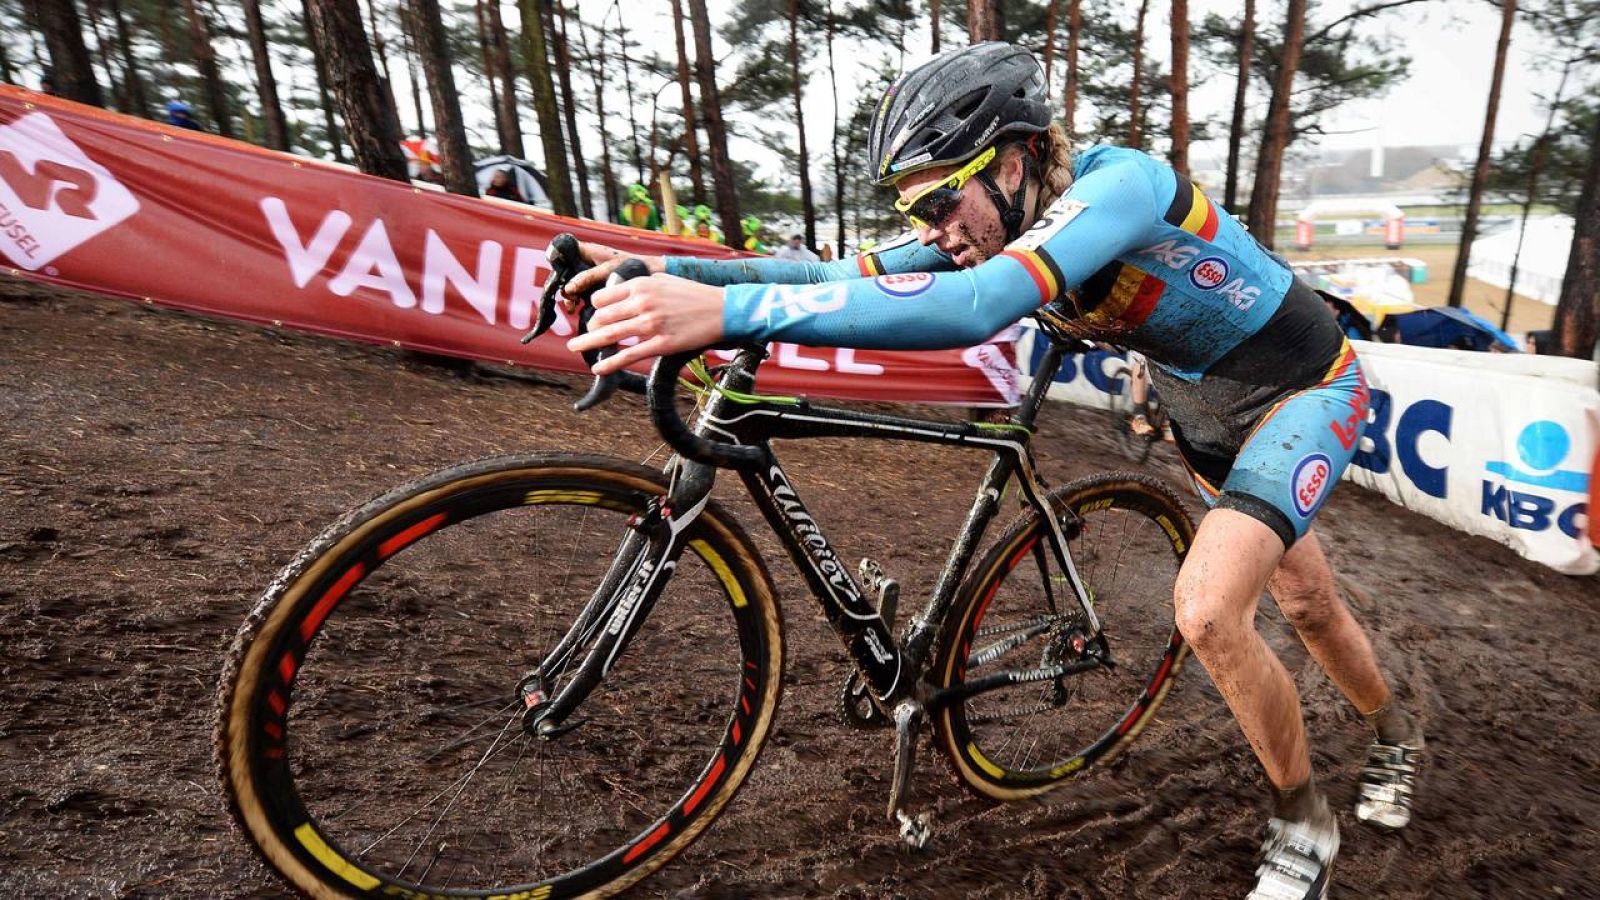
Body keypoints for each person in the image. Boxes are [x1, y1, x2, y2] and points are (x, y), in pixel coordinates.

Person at [562, 42, 1421, 899]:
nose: (930, 231)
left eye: (940, 201)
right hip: (1204, 419)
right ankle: (1392, 735)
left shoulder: (1123, 186)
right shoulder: (992, 222)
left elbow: (979, 308)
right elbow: (832, 273)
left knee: (1210, 610)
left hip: (1303, 392)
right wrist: (661, 273)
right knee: (1303, 599)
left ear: (1016, 161)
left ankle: (1314, 813)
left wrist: (724, 310)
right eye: (914, 210)